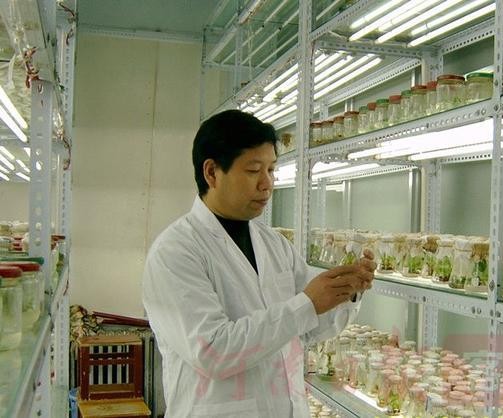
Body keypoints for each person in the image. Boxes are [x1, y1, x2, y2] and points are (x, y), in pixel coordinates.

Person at [142, 110, 376, 418]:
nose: (267, 184)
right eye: (254, 170)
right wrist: (306, 304)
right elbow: (212, 352)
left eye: (272, 169)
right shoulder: (175, 252)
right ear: (212, 173)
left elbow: (308, 329)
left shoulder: (274, 244)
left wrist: (347, 290)